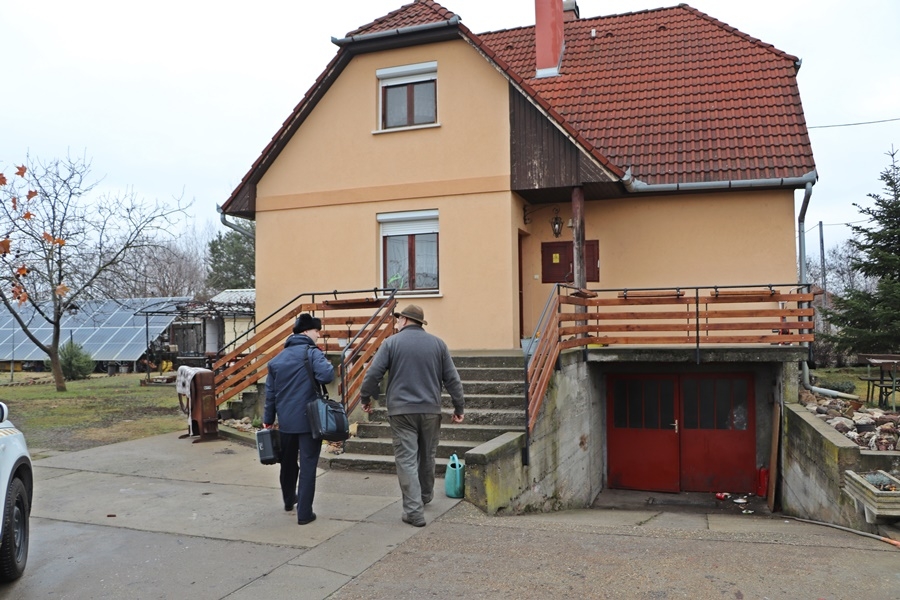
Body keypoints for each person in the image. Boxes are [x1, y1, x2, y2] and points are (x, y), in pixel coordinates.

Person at [360, 304, 464, 527]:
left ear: (405, 320)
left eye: (398, 320)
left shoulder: (391, 343)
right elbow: (452, 379)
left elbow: (373, 374)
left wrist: (365, 398)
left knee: (406, 459)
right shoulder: (438, 344)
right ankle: (424, 496)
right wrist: (459, 408)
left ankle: (414, 511)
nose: (397, 323)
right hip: (430, 410)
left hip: (401, 411)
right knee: (427, 455)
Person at [263, 313, 334, 525]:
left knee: (287, 462)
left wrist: (268, 419)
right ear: (306, 331)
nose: (318, 335)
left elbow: (270, 394)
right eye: (316, 331)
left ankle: (288, 500)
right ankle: (304, 513)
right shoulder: (312, 353)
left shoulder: (277, 360)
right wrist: (326, 363)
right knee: (308, 465)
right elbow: (327, 376)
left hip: (286, 421)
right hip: (310, 421)